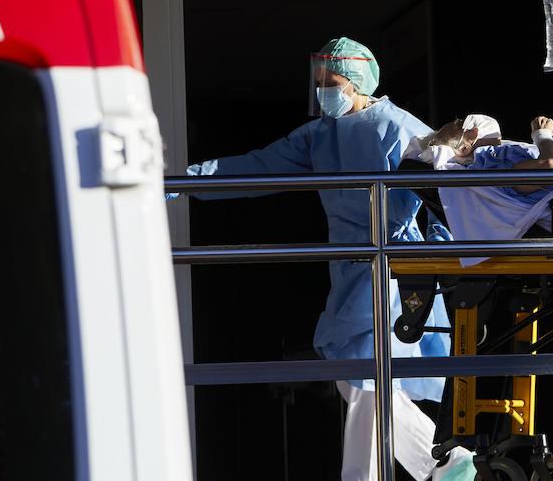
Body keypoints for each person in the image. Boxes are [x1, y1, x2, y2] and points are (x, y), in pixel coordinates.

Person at [178, 37, 475, 481]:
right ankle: (441, 464)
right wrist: (185, 180)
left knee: (364, 379)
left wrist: (445, 257)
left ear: (357, 84)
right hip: (349, 266)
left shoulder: (397, 127)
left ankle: (424, 466)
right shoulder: (319, 135)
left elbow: (444, 189)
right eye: (317, 82)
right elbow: (256, 167)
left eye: (331, 82)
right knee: (358, 379)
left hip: (395, 266)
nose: (323, 91)